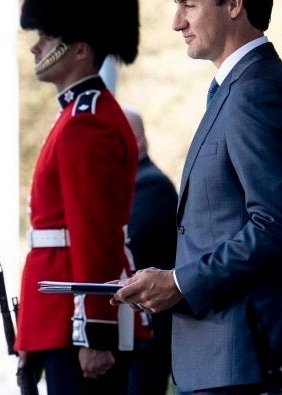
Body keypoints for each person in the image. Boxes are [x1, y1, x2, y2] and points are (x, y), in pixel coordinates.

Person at [112, 0, 282, 395]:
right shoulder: (234, 87)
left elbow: (274, 226)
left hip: (243, 357)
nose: (176, 22)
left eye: (188, 4)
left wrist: (180, 282)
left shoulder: (257, 90)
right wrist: (159, 279)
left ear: (234, 4)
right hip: (221, 358)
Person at [14, 0, 140, 394]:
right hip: (56, 318)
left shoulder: (87, 123)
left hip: (76, 324)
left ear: (81, 49)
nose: (36, 45)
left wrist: (96, 331)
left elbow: (93, 234)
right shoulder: (77, 117)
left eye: (48, 36)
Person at [122, 105, 178, 395]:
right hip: (133, 329)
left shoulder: (151, 185)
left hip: (149, 330)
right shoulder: (128, 184)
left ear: (139, 141)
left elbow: (131, 247)